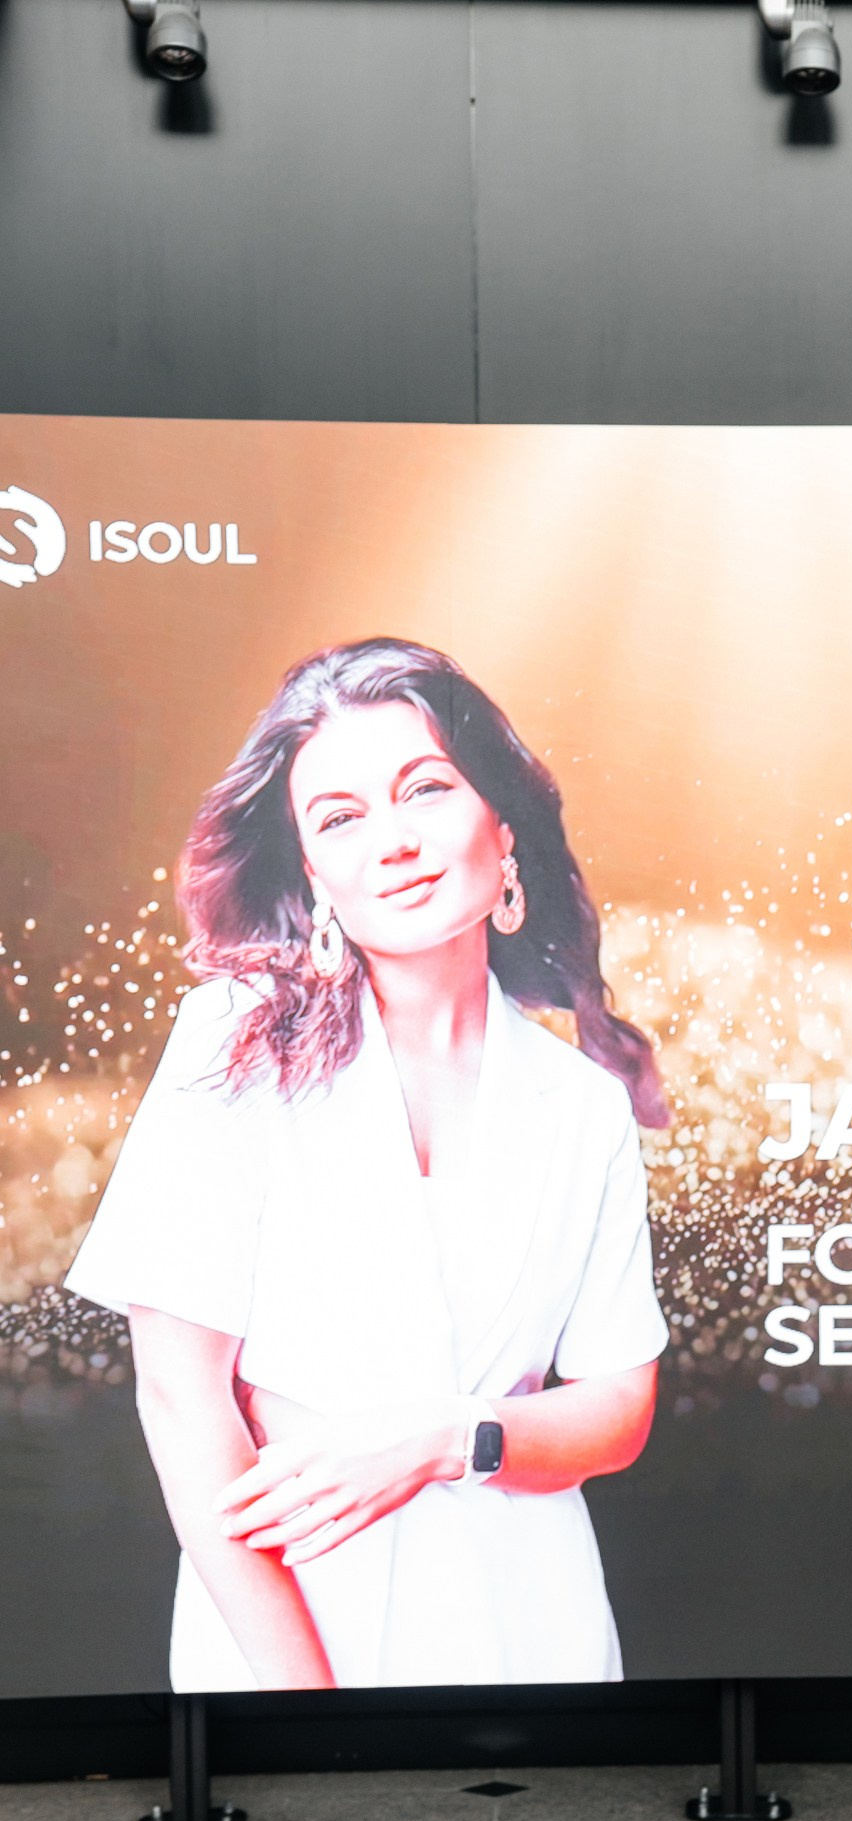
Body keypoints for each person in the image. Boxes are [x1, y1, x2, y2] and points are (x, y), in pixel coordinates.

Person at [69, 639, 669, 1692]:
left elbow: (619, 1406)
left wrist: (449, 1440)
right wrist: (309, 1717)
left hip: (533, 1616)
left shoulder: (582, 1104)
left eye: (425, 790)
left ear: (503, 824)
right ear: (313, 871)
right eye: (340, 817)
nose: (393, 842)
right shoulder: (234, 1042)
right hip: (292, 1619)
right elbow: (179, 1396)